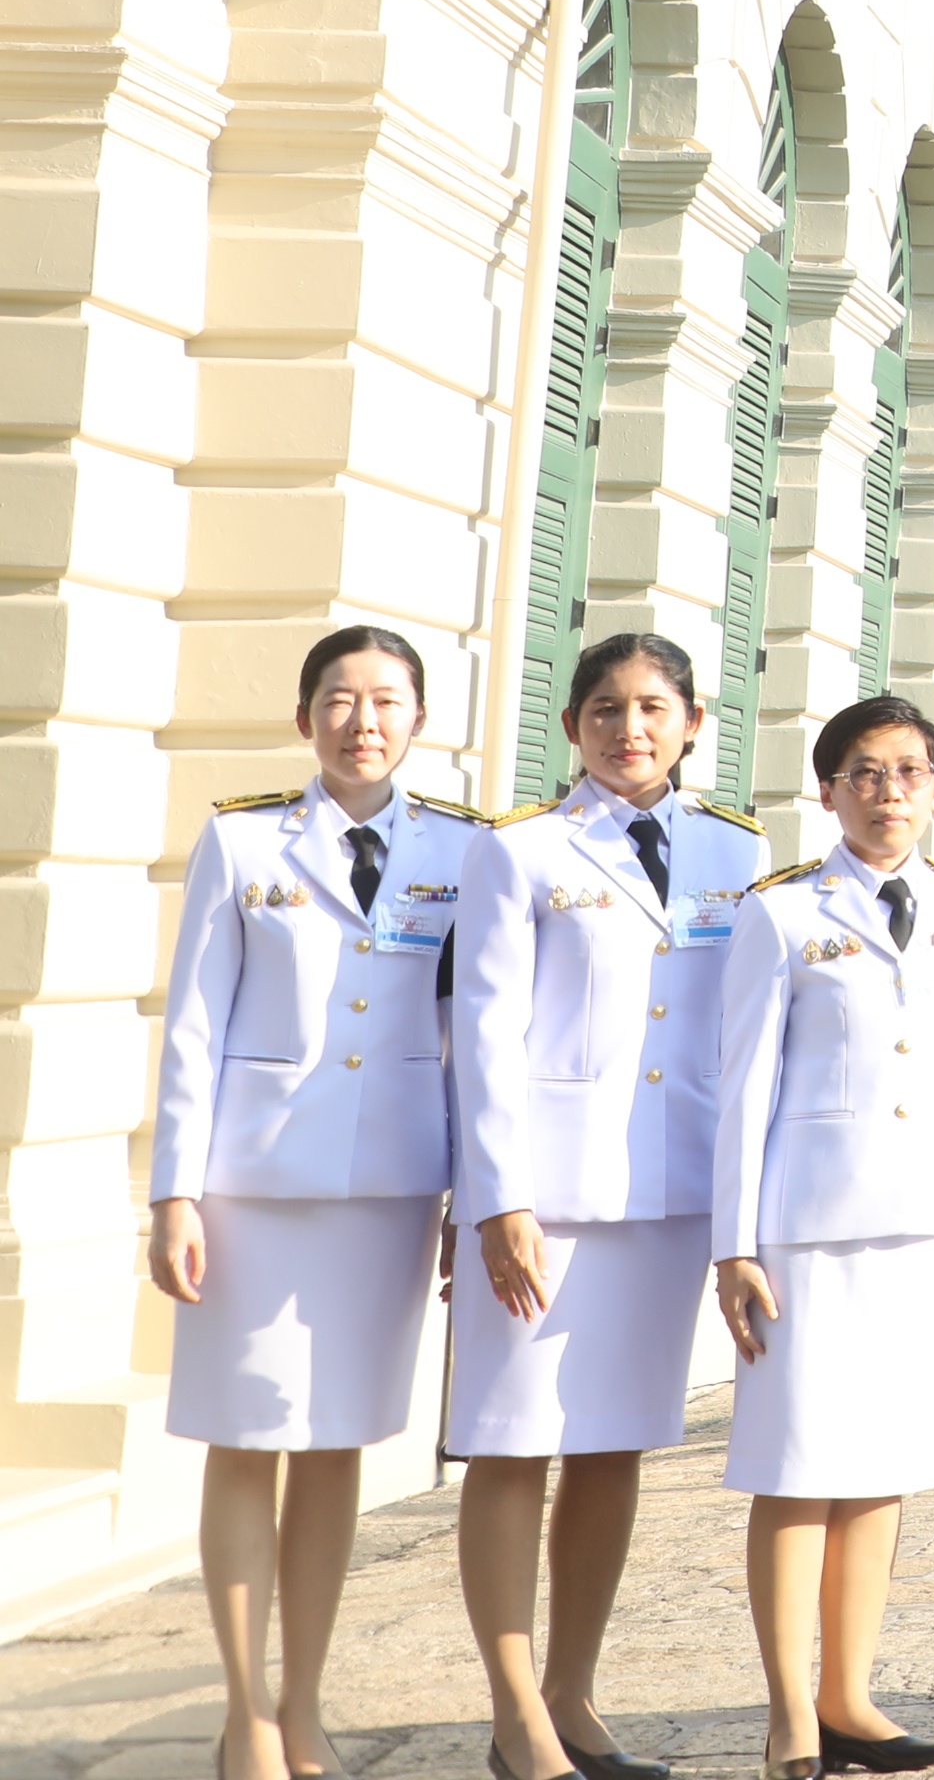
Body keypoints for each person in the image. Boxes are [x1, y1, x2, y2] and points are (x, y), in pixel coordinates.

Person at [150, 626, 482, 1780]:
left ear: (419, 720)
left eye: (387, 700)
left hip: (389, 1189)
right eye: (340, 699)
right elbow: (193, 1023)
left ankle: (305, 1706)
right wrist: (174, 1193)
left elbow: (474, 1036)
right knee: (245, 1439)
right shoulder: (243, 839)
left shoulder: (463, 851)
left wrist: (476, 1196)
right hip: (251, 1191)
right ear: (306, 719)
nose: (363, 721)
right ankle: (245, 1713)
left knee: (337, 1443)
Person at [453, 632, 767, 1780]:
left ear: (692, 722)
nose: (629, 729)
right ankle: (515, 1717)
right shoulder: (521, 850)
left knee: (613, 1444)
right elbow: (484, 1034)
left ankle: (572, 1696)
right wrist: (497, 1197)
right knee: (512, 1444)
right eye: (605, 708)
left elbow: (745, 1033)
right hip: (544, 1200)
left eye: (651, 707)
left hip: (669, 1193)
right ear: (573, 725)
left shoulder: (739, 851)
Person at [711, 696, 934, 1779]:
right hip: (808, 1231)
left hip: (925, 1222)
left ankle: (849, 1695)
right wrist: (733, 1240)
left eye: (910, 771)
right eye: (867, 773)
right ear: (830, 789)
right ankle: (791, 1710)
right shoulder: (783, 912)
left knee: (885, 1463)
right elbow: (743, 1083)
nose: (890, 792)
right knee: (797, 1464)